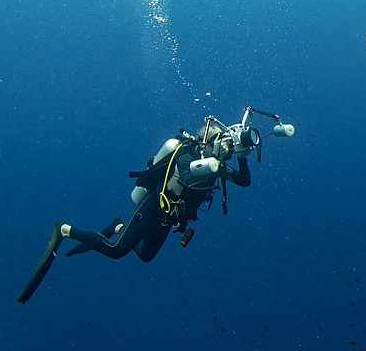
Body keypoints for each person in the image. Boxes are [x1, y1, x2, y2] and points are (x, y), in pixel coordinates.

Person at [17, 121, 252, 303]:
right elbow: (189, 177)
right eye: (223, 142)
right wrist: (216, 165)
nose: (227, 147)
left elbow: (243, 181)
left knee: (145, 255)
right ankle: (64, 229)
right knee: (116, 250)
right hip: (153, 206)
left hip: (168, 219)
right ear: (207, 140)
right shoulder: (188, 154)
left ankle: (117, 227)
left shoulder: (214, 165)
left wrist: (242, 158)